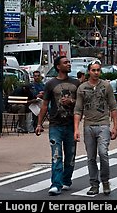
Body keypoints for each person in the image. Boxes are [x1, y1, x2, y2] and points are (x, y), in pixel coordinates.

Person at [35, 56, 80, 196]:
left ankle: (67, 180)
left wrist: (70, 102)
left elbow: (81, 104)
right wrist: (39, 124)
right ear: (58, 67)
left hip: (71, 124)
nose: (68, 64)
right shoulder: (50, 84)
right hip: (55, 125)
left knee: (70, 155)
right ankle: (56, 184)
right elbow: (44, 104)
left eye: (68, 62)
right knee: (56, 155)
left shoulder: (76, 83)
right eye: (65, 62)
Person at [74, 60, 117, 196]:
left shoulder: (106, 86)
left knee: (103, 153)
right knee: (91, 157)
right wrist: (76, 129)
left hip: (103, 124)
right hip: (88, 125)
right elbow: (78, 109)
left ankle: (105, 181)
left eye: (98, 70)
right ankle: (94, 184)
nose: (96, 72)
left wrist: (115, 127)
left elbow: (113, 106)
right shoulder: (82, 88)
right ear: (89, 71)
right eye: (93, 70)